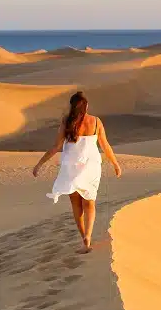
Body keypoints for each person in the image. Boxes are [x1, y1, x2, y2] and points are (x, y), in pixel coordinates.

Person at [33, 91, 122, 253]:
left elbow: (56, 147)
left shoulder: (67, 122)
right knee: (89, 202)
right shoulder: (95, 121)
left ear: (72, 106)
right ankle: (88, 235)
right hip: (91, 165)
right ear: (86, 106)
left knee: (76, 203)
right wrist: (115, 164)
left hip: (70, 165)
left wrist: (40, 164)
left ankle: (84, 239)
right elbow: (105, 145)